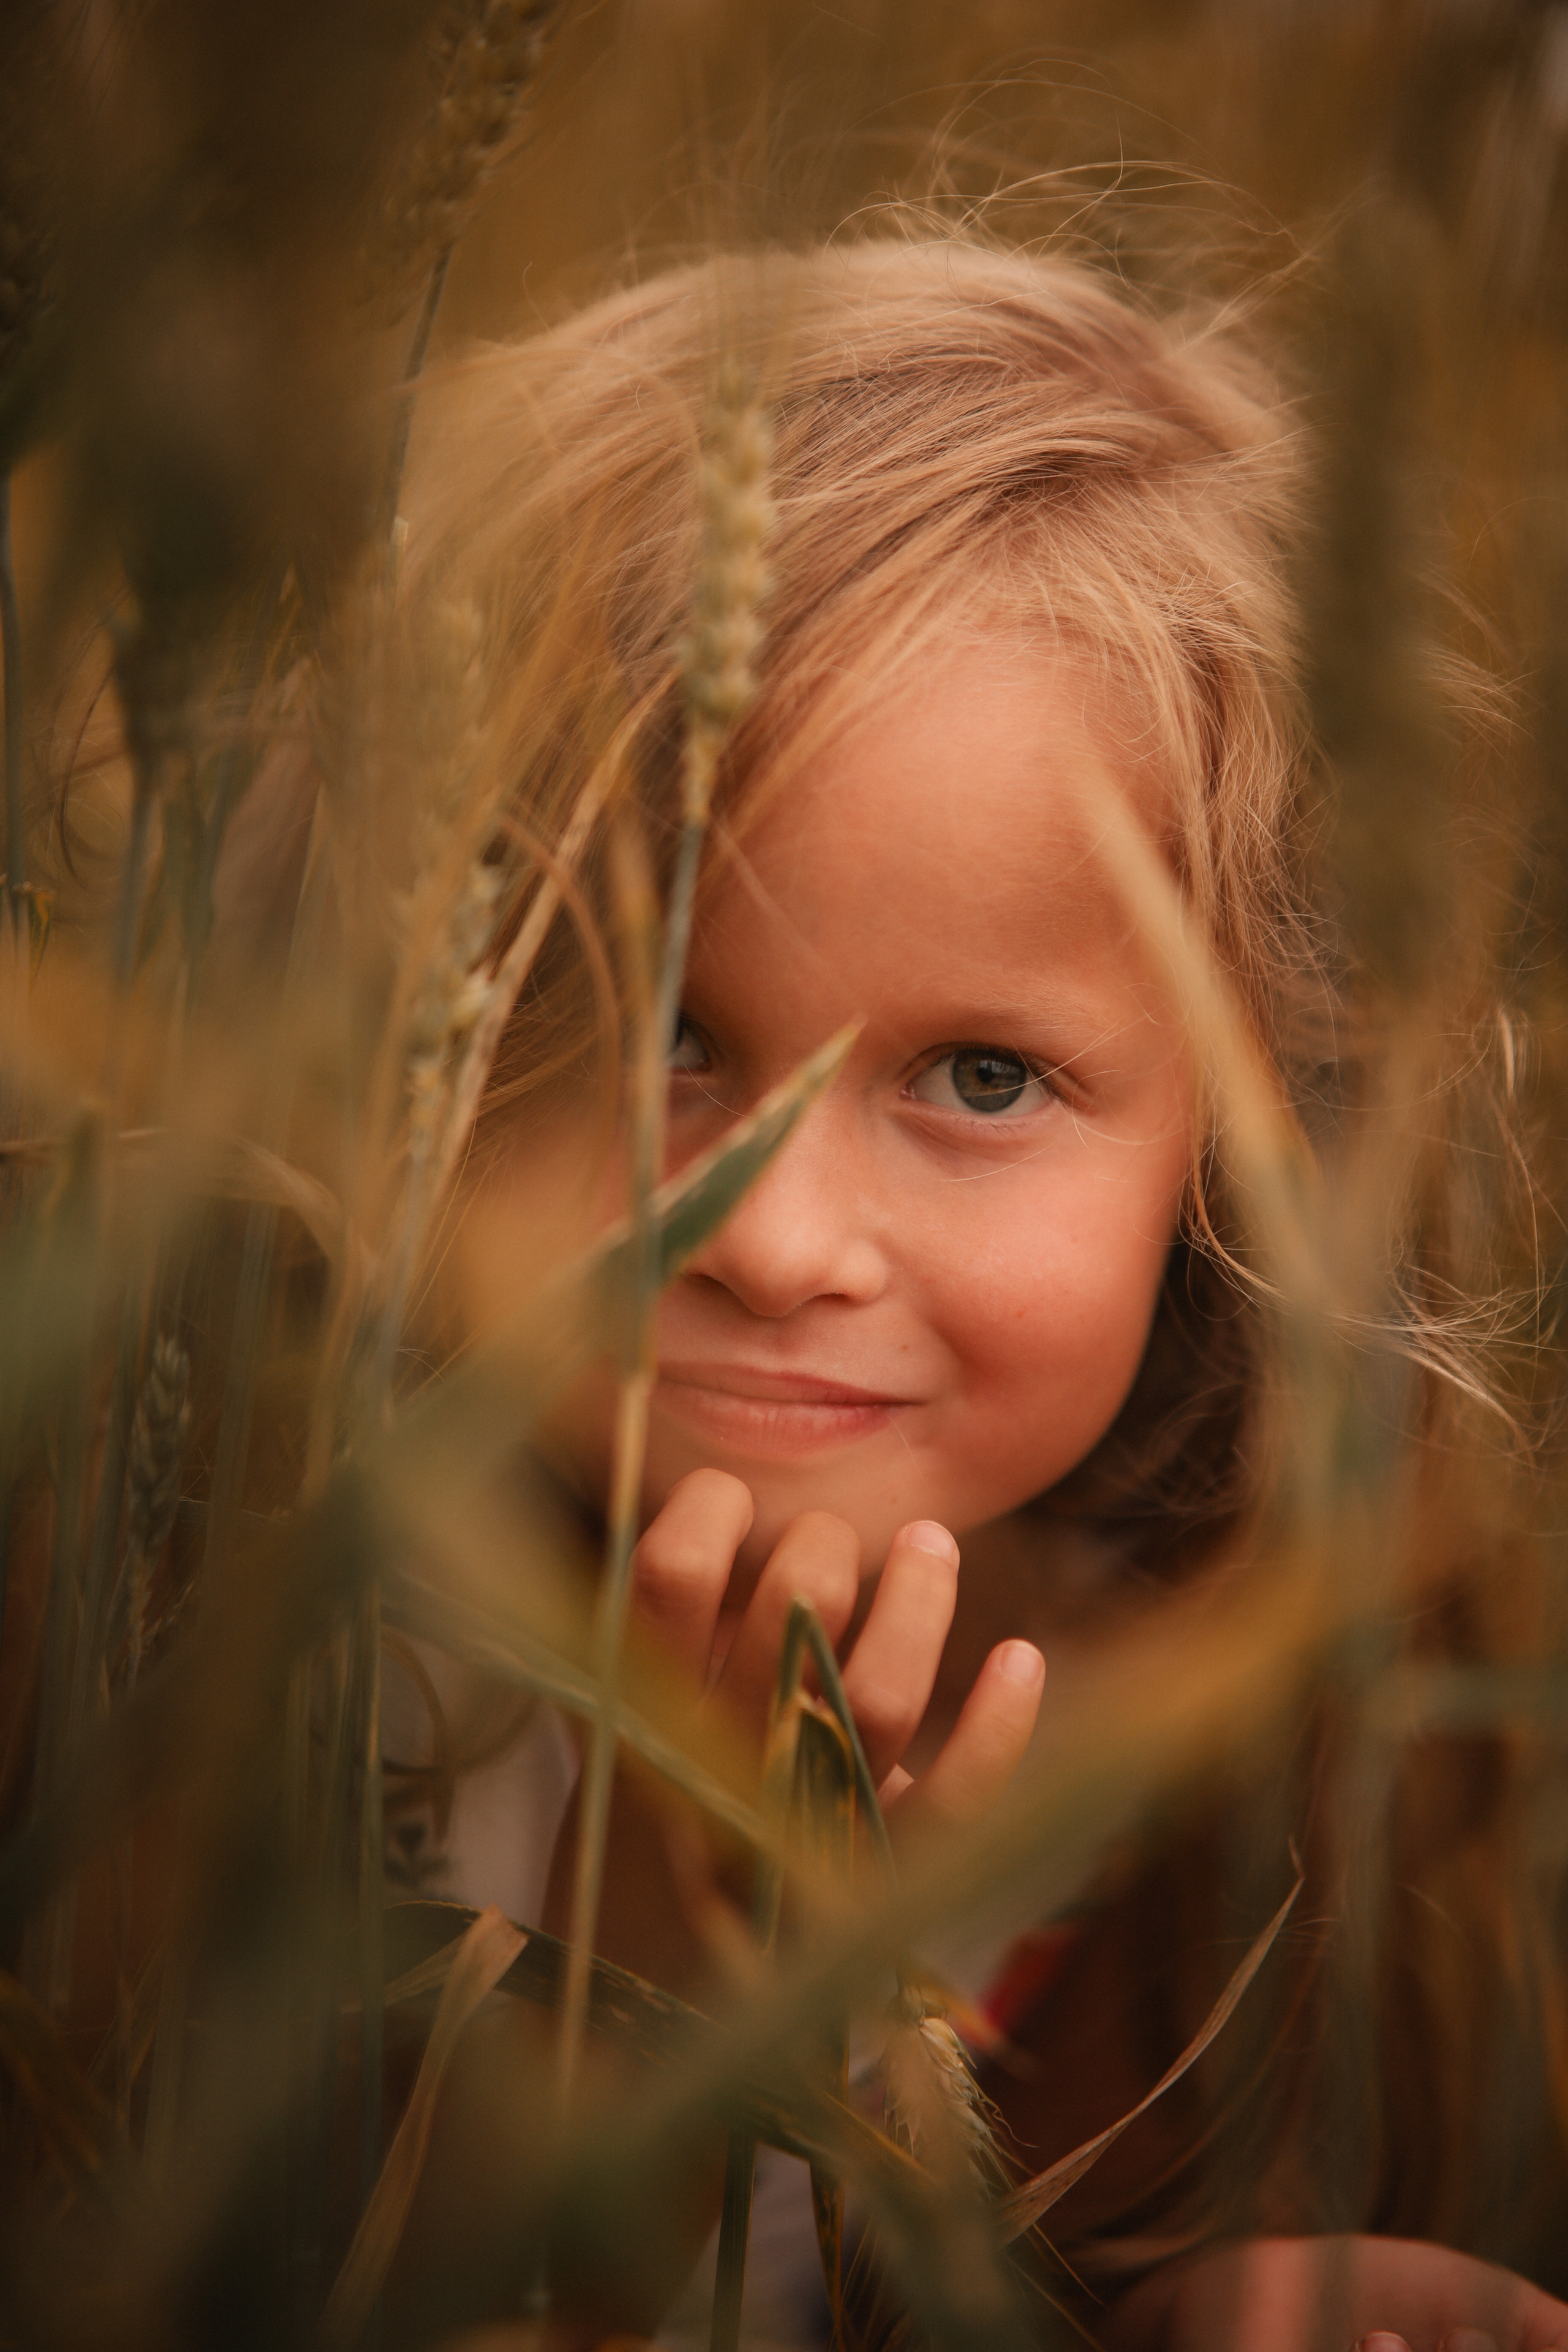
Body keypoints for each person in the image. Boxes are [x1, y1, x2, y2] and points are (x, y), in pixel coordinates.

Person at [357, 233, 1568, 2348]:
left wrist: (1188, 2309)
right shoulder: (282, 1660)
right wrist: (666, 1878)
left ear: (1241, 1133)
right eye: (661, 1034)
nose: (774, 1235)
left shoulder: (1249, 1737)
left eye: (983, 1078)